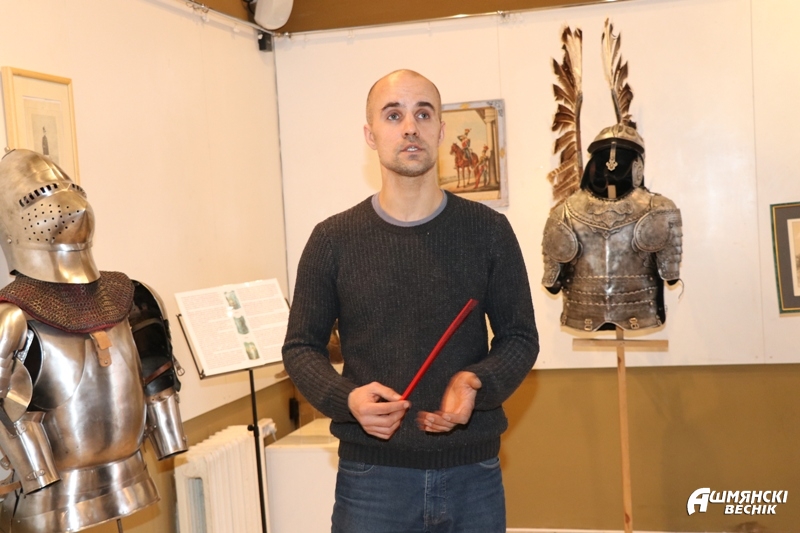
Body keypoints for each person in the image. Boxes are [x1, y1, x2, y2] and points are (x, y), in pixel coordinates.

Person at [282, 69, 538, 533]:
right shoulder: (332, 240)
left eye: (423, 114)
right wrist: (347, 399)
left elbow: (519, 337)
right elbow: (301, 347)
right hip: (371, 479)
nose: (409, 127)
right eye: (393, 115)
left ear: (440, 130)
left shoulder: (488, 231)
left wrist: (476, 382)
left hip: (472, 475)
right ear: (370, 134)